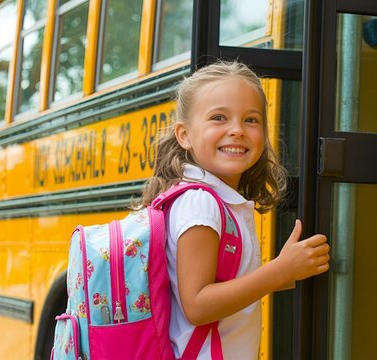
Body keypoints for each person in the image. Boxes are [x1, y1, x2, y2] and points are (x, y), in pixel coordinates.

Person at [139, 60, 330, 359]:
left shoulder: (218, 199)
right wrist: (280, 271)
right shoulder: (200, 203)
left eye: (251, 120)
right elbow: (198, 305)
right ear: (184, 134)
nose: (237, 130)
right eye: (218, 118)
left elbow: (229, 289)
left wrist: (292, 270)